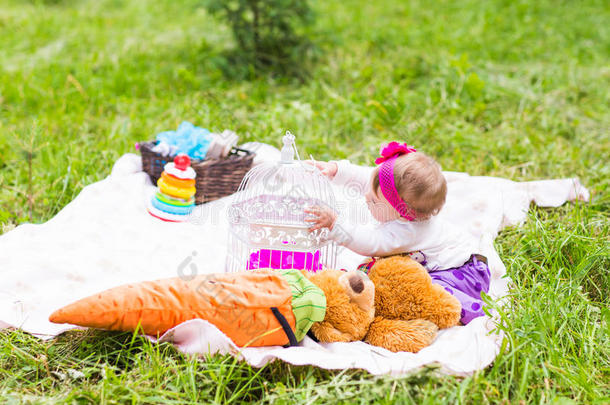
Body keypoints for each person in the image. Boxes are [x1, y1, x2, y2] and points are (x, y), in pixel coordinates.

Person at [305, 142, 491, 324]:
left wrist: (334, 224)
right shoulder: (389, 196)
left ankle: (475, 311)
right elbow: (367, 178)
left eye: (373, 201)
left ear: (401, 212)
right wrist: (336, 170)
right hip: (463, 258)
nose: (366, 198)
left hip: (462, 273)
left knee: (421, 289)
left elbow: (371, 243)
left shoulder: (408, 231)